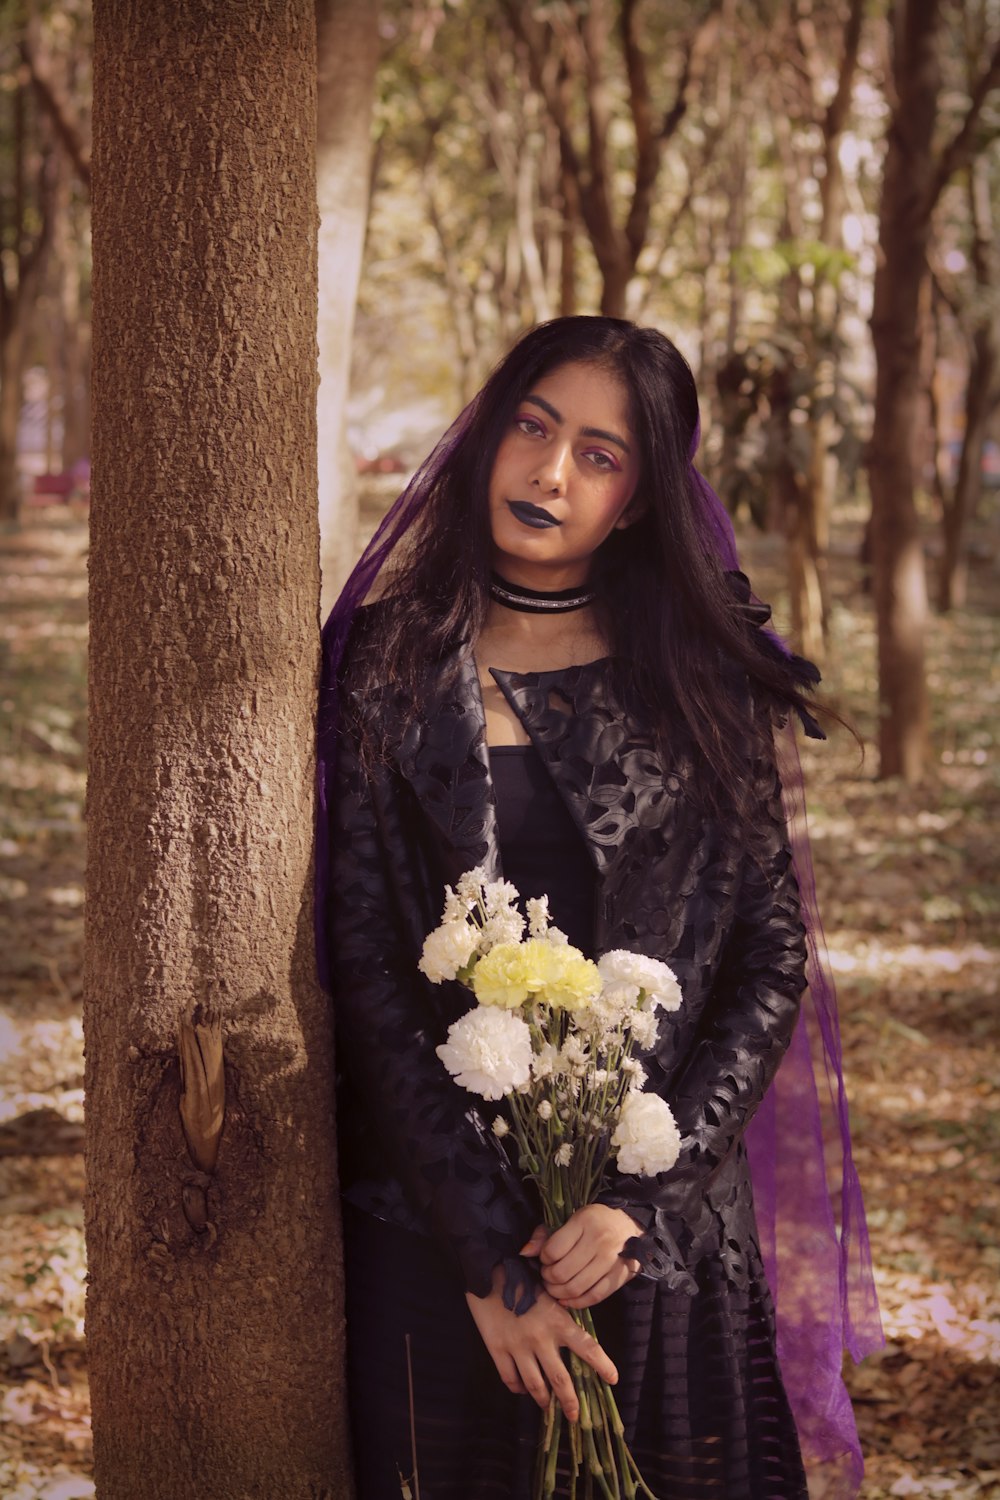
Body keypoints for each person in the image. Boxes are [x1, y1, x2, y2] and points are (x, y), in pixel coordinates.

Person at [317, 318, 881, 1499]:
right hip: (435, 1240)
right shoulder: (383, 663)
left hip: (654, 1245)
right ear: (485, 440)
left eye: (598, 452)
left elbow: (769, 956)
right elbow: (363, 962)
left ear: (636, 499)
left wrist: (634, 1201)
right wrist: (488, 1259)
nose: (549, 472)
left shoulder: (696, 668)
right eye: (531, 427)